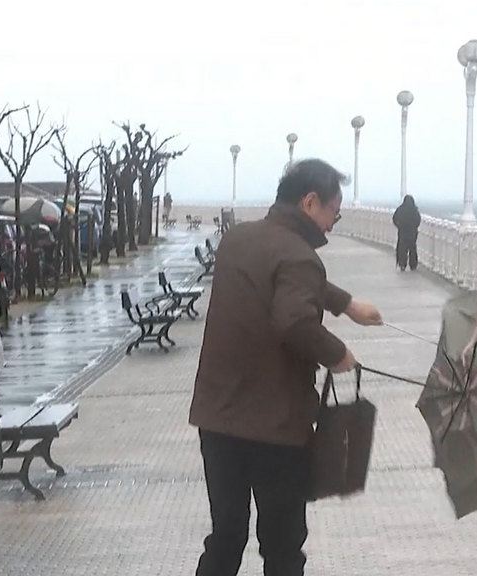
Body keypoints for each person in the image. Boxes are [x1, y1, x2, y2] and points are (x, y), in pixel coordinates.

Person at [189, 158, 383, 576]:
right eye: (335, 209)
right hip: (274, 430)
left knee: (225, 537)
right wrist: (339, 355)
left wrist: (345, 305)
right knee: (281, 548)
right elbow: (293, 320)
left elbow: (278, 274)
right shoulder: (301, 258)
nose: (335, 220)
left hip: (217, 418)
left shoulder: (238, 239)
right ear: (310, 202)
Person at [392, 194, 421, 271]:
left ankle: (402, 264)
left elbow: (394, 218)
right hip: (412, 233)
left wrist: (399, 226)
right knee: (412, 249)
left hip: (403, 232)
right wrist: (414, 227)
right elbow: (418, 220)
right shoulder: (414, 210)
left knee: (402, 248)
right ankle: (413, 264)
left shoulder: (400, 210)